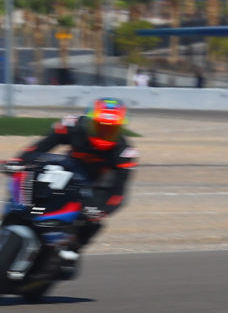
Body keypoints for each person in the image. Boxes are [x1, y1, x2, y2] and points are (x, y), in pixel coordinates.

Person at [7, 97, 138, 262]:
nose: (104, 134)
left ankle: (72, 250)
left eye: (111, 130)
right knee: (36, 180)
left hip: (96, 184)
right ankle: (21, 213)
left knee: (93, 221)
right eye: (100, 127)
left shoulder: (125, 153)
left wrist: (100, 210)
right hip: (68, 169)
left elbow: (119, 193)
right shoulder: (73, 125)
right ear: (89, 122)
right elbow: (43, 144)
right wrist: (19, 161)